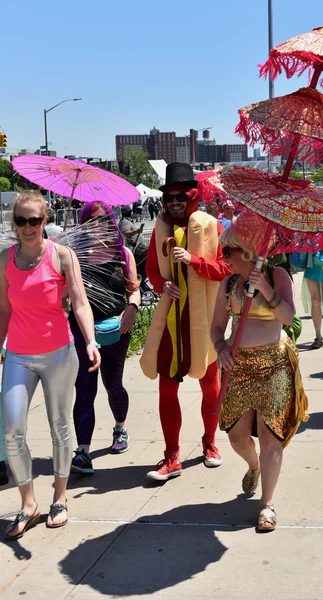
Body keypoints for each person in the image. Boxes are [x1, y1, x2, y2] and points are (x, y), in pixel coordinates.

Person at [0, 190, 100, 539]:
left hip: (59, 353)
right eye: (21, 220)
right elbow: (3, 312)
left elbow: (80, 302)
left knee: (59, 425)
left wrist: (90, 340)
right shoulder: (4, 259)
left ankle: (60, 496)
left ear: (45, 220)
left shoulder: (62, 255)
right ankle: (28, 503)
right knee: (12, 430)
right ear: (14, 222)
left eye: (34, 220)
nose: (27, 227)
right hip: (18, 355)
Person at [210, 226, 308, 531]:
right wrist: (221, 347)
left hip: (275, 364)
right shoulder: (227, 284)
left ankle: (266, 504)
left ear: (247, 252)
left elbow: (289, 318)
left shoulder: (277, 275)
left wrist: (264, 289)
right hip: (239, 366)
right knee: (236, 436)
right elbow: (216, 327)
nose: (224, 258)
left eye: (228, 252)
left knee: (269, 435)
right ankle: (254, 465)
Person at [140, 162, 231, 480]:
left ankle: (210, 444)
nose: (174, 201)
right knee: (166, 390)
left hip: (203, 319)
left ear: (192, 195)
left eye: (180, 195)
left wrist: (194, 261)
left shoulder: (211, 227)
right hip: (171, 324)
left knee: (210, 387)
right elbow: (151, 270)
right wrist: (161, 284)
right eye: (169, 196)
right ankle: (171, 457)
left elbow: (224, 269)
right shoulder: (159, 230)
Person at [70, 201, 140, 474]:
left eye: (101, 220)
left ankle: (120, 428)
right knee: (84, 390)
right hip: (81, 330)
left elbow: (133, 289)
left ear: (110, 223)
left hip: (115, 329)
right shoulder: (74, 256)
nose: (96, 225)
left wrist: (132, 308)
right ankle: (83, 453)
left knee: (113, 384)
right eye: (90, 220)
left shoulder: (122, 254)